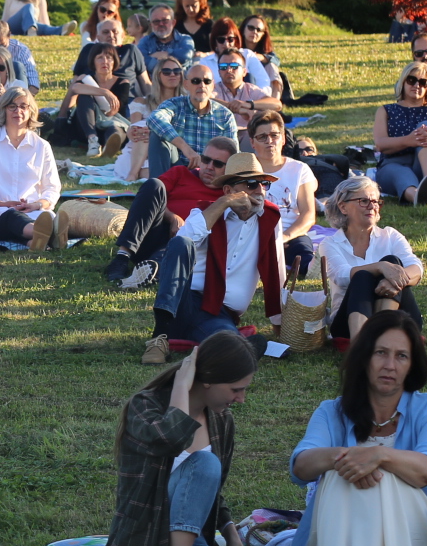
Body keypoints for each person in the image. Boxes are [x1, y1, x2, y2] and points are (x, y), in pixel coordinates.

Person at [100, 332, 308, 546]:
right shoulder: (145, 406)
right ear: (207, 379)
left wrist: (232, 536)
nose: (241, 398)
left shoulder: (221, 421)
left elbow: (209, 490)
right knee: (205, 461)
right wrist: (181, 388)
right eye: (236, 389)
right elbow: (172, 438)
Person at [290, 313, 427, 546]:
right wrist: (349, 457)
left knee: (378, 472)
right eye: (381, 353)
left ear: (412, 365)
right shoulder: (331, 411)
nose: (390, 365)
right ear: (364, 357)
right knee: (344, 465)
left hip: (416, 541)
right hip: (337, 534)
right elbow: (302, 466)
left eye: (401, 356)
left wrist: (379, 456)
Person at [143, 151, 285, 363]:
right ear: (228, 190)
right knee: (181, 244)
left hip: (219, 313)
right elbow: (181, 244)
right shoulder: (205, 212)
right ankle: (159, 338)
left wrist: (280, 324)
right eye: (251, 184)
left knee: (227, 340)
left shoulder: (271, 218)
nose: (259, 191)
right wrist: (222, 205)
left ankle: (237, 347)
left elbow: (277, 269)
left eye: (264, 184)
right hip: (184, 302)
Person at [101, 137, 237, 289]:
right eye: (206, 160)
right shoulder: (180, 173)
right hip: (153, 233)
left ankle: (153, 270)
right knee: (153, 184)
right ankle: (122, 257)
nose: (209, 167)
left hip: (185, 245)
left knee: (183, 245)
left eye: (218, 164)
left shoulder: (227, 196)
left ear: (230, 168)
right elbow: (151, 197)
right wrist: (173, 217)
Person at [317, 176, 424, 343]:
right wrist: (380, 267)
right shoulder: (330, 244)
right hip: (347, 324)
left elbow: (416, 268)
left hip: (398, 318)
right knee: (362, 276)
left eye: (376, 201)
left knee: (392, 261)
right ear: (343, 207)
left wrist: (393, 281)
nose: (372, 206)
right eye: (364, 201)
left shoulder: (390, 235)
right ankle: (361, 344)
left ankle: (380, 336)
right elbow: (342, 275)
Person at [0, 85, 64, 250]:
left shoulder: (42, 146)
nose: (17, 110)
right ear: (3, 109)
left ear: (31, 110)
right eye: (12, 106)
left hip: (33, 212)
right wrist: (2, 204)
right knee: (11, 216)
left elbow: (52, 189)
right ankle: (46, 234)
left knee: (43, 216)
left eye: (23, 106)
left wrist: (37, 205)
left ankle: (34, 241)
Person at [247, 112, 318, 279]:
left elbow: (308, 216)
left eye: (274, 135)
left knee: (306, 264)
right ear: (252, 142)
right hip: (253, 235)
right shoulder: (244, 170)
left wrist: (283, 238)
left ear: (284, 138)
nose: (270, 141)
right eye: (262, 137)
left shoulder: (299, 170)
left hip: (291, 235)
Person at [374, 61, 427, 205]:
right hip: (393, 164)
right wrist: (409, 140)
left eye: (423, 82)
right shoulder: (386, 110)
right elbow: (380, 144)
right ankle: (417, 196)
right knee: (400, 173)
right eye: (411, 80)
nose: (417, 85)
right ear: (403, 82)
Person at [144, 62, 237, 178]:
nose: (202, 85)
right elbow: (154, 118)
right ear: (186, 85)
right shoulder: (175, 104)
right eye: (196, 81)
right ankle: (158, 188)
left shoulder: (225, 115)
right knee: (157, 136)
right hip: (177, 167)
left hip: (210, 171)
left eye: (207, 81)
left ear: (212, 85)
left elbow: (233, 155)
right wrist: (185, 148)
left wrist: (206, 163)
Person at [56, 33, 132, 157]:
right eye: (100, 57)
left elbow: (112, 111)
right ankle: (93, 142)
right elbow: (75, 87)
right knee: (84, 95)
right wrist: (104, 92)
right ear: (93, 61)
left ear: (114, 61)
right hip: (87, 126)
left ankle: (110, 146)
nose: (105, 61)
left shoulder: (122, 83)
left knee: (115, 129)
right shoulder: (86, 78)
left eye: (109, 57)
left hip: (111, 121)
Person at [136, 5, 196, 71]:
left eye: (165, 20)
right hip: (152, 81)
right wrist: (173, 61)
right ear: (151, 25)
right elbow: (141, 62)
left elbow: (185, 56)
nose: (161, 24)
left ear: (173, 23)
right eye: (156, 21)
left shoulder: (185, 39)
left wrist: (166, 54)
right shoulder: (144, 41)